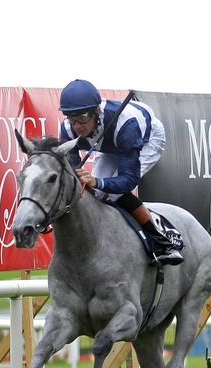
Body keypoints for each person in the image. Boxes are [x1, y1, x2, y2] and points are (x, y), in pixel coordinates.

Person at [58, 79, 183, 266]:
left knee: (115, 192)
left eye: (82, 118)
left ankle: (163, 241)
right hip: (111, 146)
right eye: (71, 118)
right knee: (94, 194)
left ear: (96, 111)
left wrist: (98, 181)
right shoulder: (68, 129)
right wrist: (86, 182)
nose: (77, 126)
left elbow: (129, 180)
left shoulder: (126, 125)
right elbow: (74, 174)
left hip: (147, 140)